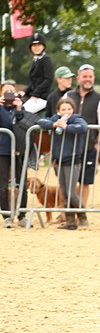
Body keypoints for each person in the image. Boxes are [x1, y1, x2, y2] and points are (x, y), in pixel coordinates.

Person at [67, 63, 100, 223]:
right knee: (68, 182)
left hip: (88, 146)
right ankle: (68, 212)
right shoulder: (68, 97)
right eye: (85, 76)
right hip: (69, 146)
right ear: (78, 78)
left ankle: (81, 213)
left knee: (85, 181)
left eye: (90, 77)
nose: (88, 79)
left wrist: (98, 144)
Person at [36, 96, 88, 230]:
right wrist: (53, 124)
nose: (66, 111)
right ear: (58, 110)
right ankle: (70, 221)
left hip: (73, 160)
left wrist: (66, 127)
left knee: (71, 193)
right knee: (64, 193)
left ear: (73, 109)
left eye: (69, 109)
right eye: (63, 109)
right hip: (59, 161)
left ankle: (83, 218)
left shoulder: (77, 119)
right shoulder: (55, 119)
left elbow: (82, 127)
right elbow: (41, 121)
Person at [0, 81, 26, 227]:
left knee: (21, 182)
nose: (9, 93)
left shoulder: (21, 107)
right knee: (2, 183)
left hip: (19, 149)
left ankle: (22, 215)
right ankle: (6, 216)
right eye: (6, 91)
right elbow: (5, 123)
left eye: (12, 90)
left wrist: (19, 107)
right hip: (3, 150)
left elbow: (22, 124)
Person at [24, 33, 54, 114]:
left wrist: (35, 94)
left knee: (24, 111)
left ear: (43, 46)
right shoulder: (35, 61)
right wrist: (24, 92)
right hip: (34, 95)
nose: (36, 48)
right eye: (34, 46)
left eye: (38, 45)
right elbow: (34, 81)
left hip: (43, 96)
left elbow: (48, 79)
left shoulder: (46, 60)